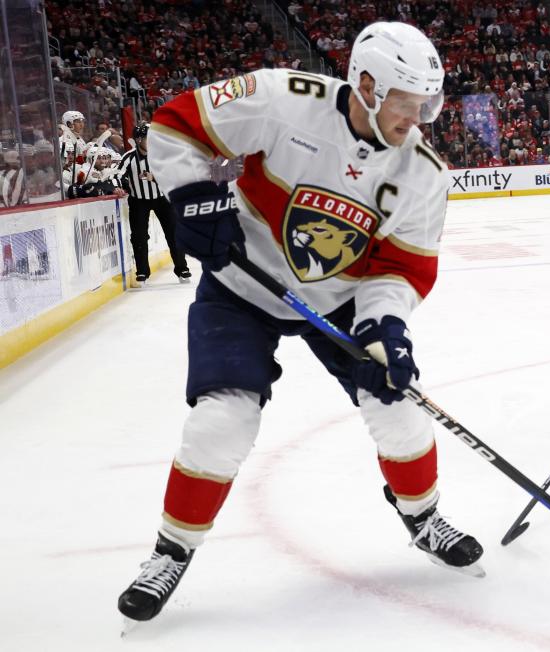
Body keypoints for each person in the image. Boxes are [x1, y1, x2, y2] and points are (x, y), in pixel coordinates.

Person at [117, 21, 484, 623]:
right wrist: (190, 196)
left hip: (336, 298)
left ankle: (423, 518)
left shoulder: (424, 174)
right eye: (405, 104)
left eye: (425, 106)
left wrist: (385, 326)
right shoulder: (281, 98)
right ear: (366, 85)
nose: (415, 120)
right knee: (221, 422)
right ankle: (172, 550)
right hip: (241, 284)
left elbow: (401, 269)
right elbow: (178, 123)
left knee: (400, 407)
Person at [116, 123, 191, 284]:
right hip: (138, 201)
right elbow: (117, 174)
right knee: (139, 237)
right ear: (138, 140)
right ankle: (142, 272)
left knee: (174, 234)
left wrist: (154, 178)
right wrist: (120, 185)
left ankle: (182, 269)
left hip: (162, 199)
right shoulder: (129, 157)